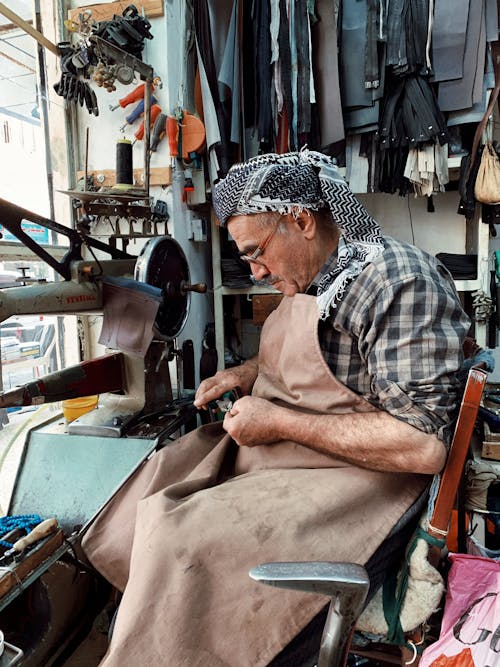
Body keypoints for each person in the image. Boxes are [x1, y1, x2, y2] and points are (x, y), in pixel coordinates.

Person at [82, 150, 471, 667]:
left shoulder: (396, 283)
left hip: (368, 483)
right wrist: (241, 375)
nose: (256, 270)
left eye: (255, 252)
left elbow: (422, 445)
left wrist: (278, 421)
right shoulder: (315, 274)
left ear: (301, 220)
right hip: (298, 460)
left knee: (182, 541)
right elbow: (319, 363)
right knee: (151, 488)